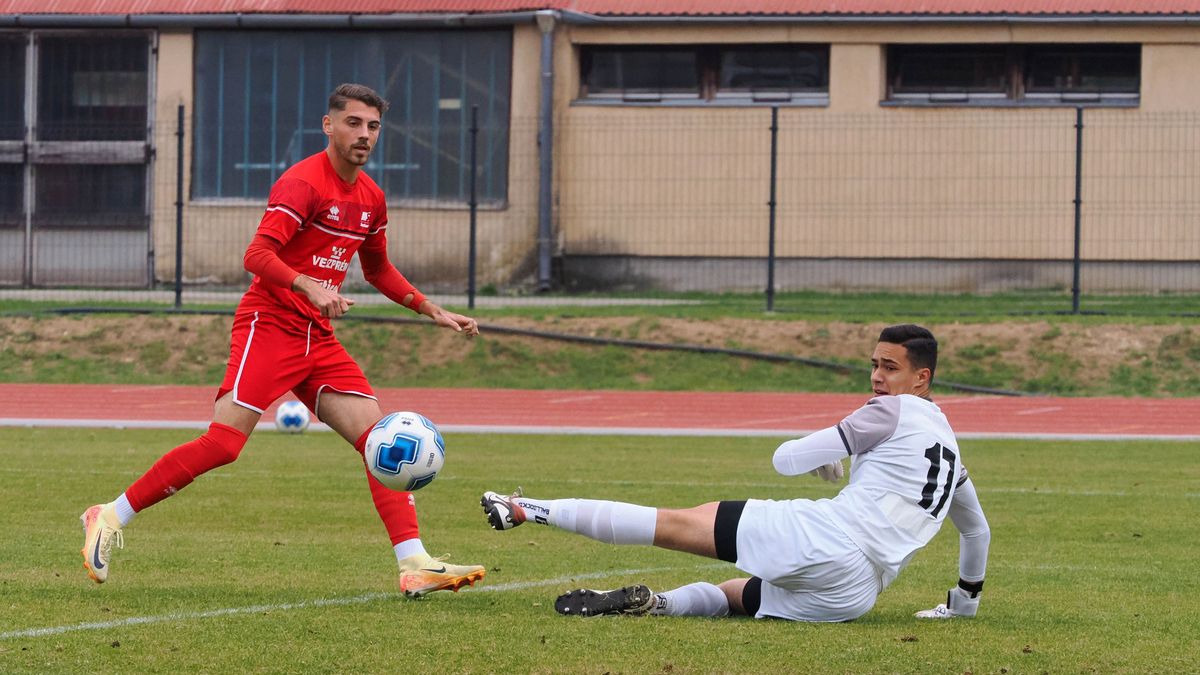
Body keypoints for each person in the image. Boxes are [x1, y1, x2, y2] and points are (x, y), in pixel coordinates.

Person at [80, 83, 486, 598]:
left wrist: (429, 307)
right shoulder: (303, 183)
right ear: (329, 125)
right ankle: (109, 515)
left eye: (374, 126)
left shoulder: (370, 198)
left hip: (317, 337)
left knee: (381, 444)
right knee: (224, 445)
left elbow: (378, 267)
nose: (365, 135)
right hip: (269, 325)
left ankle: (415, 564)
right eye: (355, 123)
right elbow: (256, 255)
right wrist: (307, 284)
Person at [481, 324, 990, 621]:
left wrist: (822, 453)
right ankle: (657, 604)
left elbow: (785, 459)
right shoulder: (948, 446)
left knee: (677, 523)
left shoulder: (888, 410)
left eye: (890, 368)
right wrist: (963, 606)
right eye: (874, 364)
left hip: (827, 539)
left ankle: (528, 508)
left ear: (921, 379)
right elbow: (976, 530)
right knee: (733, 595)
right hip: (856, 594)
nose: (877, 377)